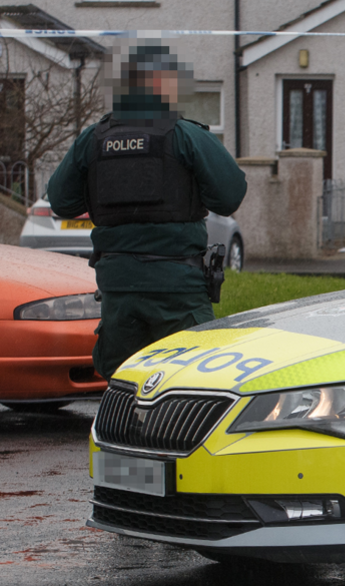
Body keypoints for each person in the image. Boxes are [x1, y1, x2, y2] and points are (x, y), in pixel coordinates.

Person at [47, 42, 246, 378]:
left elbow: (62, 202)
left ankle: (124, 432)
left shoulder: (93, 140)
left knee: (124, 383)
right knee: (191, 383)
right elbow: (229, 197)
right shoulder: (185, 136)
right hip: (178, 290)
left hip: (118, 289)